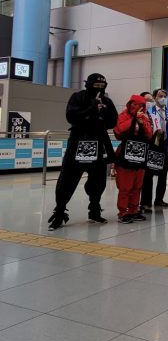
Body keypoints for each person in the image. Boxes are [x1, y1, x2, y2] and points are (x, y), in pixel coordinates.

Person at [48, 73, 118, 230]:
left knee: (98, 181)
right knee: (67, 179)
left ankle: (94, 210)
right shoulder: (77, 97)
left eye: (102, 86)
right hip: (78, 143)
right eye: (96, 86)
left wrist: (103, 112)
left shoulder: (106, 101)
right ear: (89, 85)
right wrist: (92, 108)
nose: (99, 89)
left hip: (98, 144)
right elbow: (71, 116)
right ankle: (59, 212)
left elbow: (113, 121)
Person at [114, 95, 153, 223]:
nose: (134, 107)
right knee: (125, 187)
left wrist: (143, 122)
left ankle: (134, 210)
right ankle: (123, 212)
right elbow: (118, 131)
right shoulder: (123, 115)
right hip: (125, 157)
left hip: (140, 156)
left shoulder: (145, 117)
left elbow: (149, 135)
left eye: (138, 105)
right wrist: (133, 120)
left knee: (137, 186)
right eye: (132, 104)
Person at [140, 88, 168, 213]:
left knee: (163, 174)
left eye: (165, 96)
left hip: (165, 145)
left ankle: (159, 199)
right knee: (148, 175)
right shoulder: (149, 111)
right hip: (152, 144)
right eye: (160, 95)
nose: (163, 98)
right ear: (155, 97)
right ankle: (145, 202)